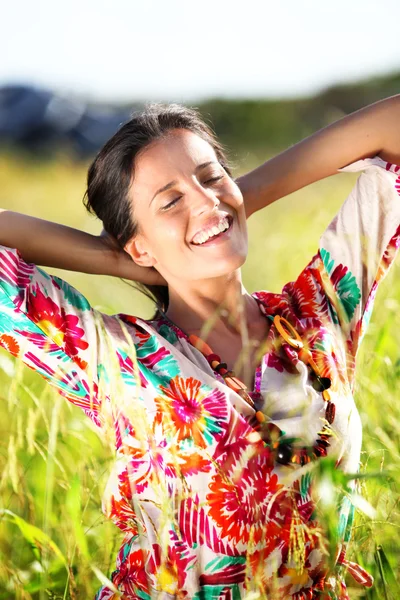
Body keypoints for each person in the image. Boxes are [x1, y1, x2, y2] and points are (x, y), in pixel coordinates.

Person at [1, 97, 400, 599]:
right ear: (138, 243)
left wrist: (231, 203)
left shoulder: (319, 311)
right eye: (169, 201)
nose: (204, 200)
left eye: (211, 176)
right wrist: (117, 259)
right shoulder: (115, 356)